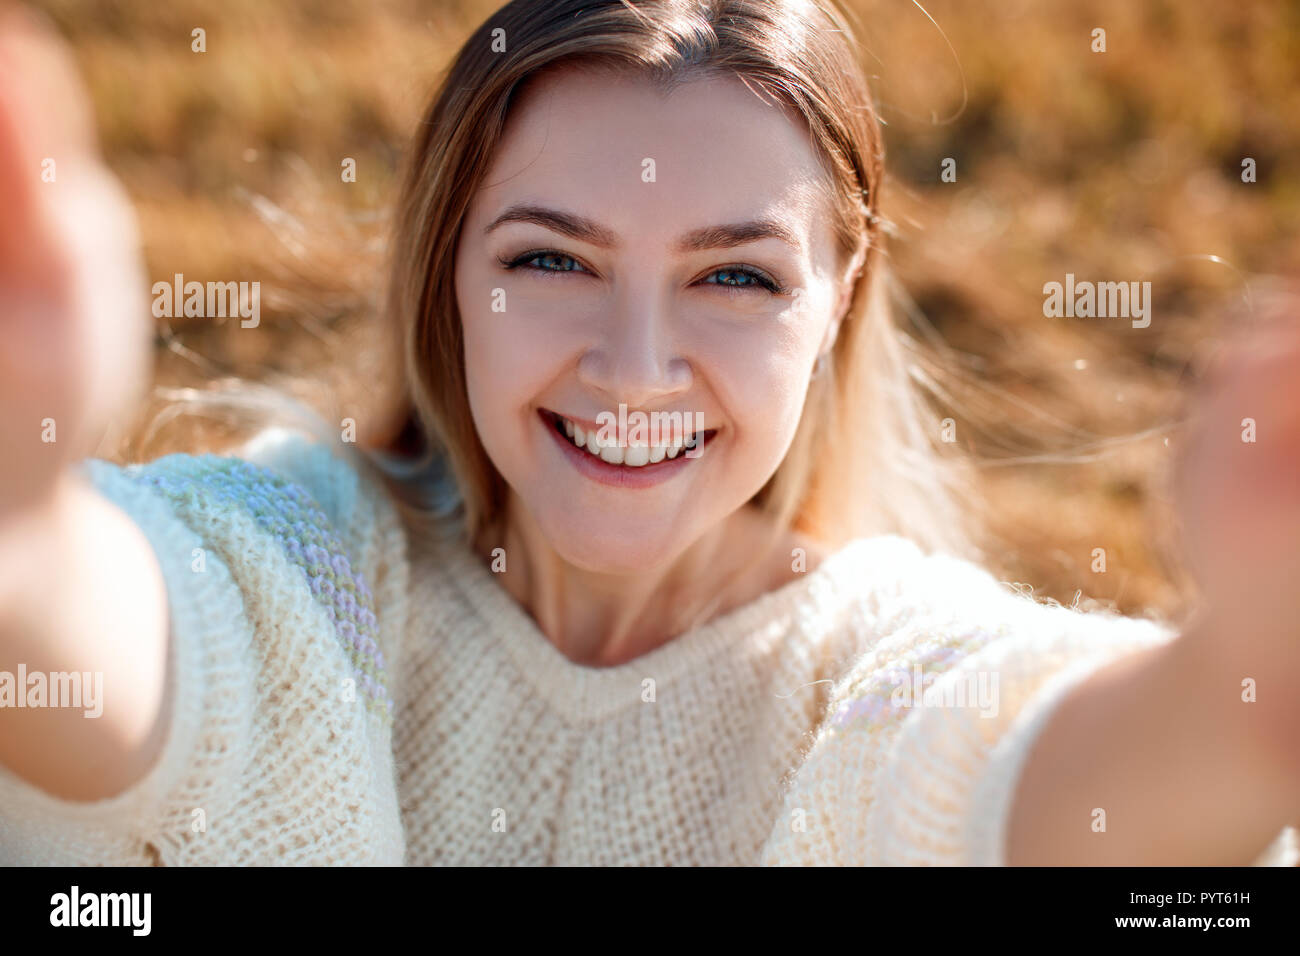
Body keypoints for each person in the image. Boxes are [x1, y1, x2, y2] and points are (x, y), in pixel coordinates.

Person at [1, 0, 1297, 866]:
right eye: (553, 260)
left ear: (837, 301)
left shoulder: (873, 681)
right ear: (449, 271)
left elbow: (1042, 776)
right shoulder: (310, 563)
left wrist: (1255, 684)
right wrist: (21, 521)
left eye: (735, 277)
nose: (632, 371)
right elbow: (134, 649)